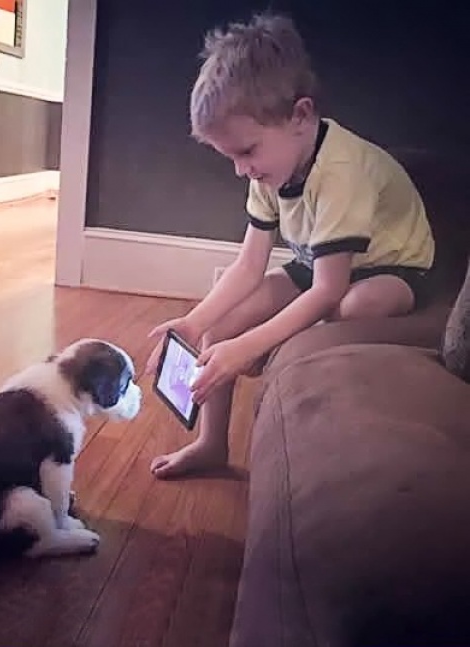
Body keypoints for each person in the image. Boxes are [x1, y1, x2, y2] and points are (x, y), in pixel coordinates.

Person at [144, 12, 435, 479]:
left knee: (358, 303)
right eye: (232, 157)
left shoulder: (342, 171)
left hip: (390, 268)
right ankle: (211, 445)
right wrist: (195, 322)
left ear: (300, 116)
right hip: (317, 262)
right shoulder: (266, 170)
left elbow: (328, 291)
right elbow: (249, 264)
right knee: (221, 331)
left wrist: (255, 343)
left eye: (247, 152)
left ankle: (288, 337)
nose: (242, 169)